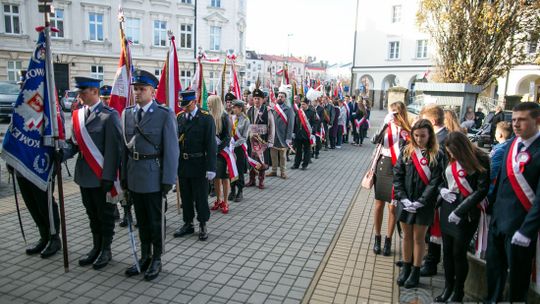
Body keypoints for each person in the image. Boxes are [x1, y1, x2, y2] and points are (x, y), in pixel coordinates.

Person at [121, 70, 179, 280]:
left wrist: (168, 180)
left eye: (142, 89)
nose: (137, 92)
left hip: (154, 176)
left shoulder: (164, 114)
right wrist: (123, 177)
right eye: (135, 89)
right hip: (134, 174)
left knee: (155, 220)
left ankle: (156, 258)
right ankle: (144, 256)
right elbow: (124, 149)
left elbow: (172, 150)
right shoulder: (127, 113)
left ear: (153, 91)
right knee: (141, 220)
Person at [64, 76, 122, 270]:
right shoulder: (78, 115)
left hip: (101, 177)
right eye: (79, 91)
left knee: (105, 214)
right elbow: (74, 144)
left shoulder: (109, 115)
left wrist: (109, 176)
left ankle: (106, 249)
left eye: (83, 91)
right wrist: (60, 154)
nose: (80, 95)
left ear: (95, 92)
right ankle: (96, 247)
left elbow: (114, 149)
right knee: (91, 214)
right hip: (84, 175)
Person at [486, 102, 540, 303]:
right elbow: (500, 180)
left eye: (522, 120)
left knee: (518, 277)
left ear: (537, 121)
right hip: (499, 221)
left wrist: (527, 231)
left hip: (520, 226)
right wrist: (490, 207)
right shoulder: (511, 144)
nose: (516, 124)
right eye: (514, 120)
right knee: (494, 268)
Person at [6, 70, 61, 259]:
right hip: (22, 165)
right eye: (22, 86)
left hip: (39, 165)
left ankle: (54, 237)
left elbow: (55, 132)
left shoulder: (47, 108)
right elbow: (13, 132)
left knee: (44, 202)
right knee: (31, 203)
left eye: (26, 86)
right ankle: (43, 236)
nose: (24, 89)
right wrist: (10, 159)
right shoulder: (20, 107)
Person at [436, 131, 490, 302]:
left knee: (458, 253)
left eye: (452, 151)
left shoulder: (480, 158)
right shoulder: (448, 156)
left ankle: (458, 291)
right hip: (447, 207)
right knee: (447, 252)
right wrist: (442, 190)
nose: (450, 154)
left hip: (466, 212)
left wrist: (460, 211)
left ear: (461, 149)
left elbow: (482, 190)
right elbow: (442, 179)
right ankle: (447, 287)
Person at [394, 119, 444, 288]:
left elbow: (436, 181)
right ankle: (406, 268)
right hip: (405, 201)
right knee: (406, 236)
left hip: (424, 205)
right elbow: (397, 175)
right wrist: (403, 197)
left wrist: (421, 201)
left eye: (423, 135)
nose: (419, 139)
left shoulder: (437, 154)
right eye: (416, 135)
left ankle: (416, 271)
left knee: (419, 238)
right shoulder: (406, 151)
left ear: (430, 135)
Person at [174, 90, 216, 242]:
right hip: (183, 164)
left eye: (186, 105)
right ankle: (188, 223)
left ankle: (203, 224)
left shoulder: (206, 118)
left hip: (199, 164)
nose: (183, 108)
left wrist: (211, 168)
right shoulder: (179, 118)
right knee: (185, 196)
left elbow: (211, 145)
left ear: (193, 102)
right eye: (182, 105)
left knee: (200, 197)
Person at [371, 101, 411, 256]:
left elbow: (407, 152)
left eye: (395, 112)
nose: (393, 115)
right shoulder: (386, 127)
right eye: (391, 112)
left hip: (396, 169)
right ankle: (377, 238)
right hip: (382, 166)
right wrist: (384, 124)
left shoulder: (407, 130)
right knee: (379, 204)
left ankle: (388, 240)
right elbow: (374, 140)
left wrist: (402, 132)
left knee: (392, 207)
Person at [418, 104, 448, 276]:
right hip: (429, 191)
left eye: (425, 119)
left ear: (434, 121)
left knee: (434, 230)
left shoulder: (443, 138)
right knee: (428, 229)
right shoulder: (436, 137)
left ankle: (431, 263)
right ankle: (423, 259)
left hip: (438, 192)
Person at [246, 87, 274, 189]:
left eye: (259, 98)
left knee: (261, 160)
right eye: (255, 98)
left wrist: (270, 141)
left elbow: (271, 126)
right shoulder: (249, 110)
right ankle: (252, 179)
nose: (257, 100)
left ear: (263, 100)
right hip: (250, 139)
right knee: (251, 159)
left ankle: (261, 180)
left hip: (262, 139)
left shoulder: (267, 110)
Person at [208, 95, 232, 214]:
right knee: (216, 178)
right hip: (213, 152)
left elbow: (228, 136)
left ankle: (226, 202)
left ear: (215, 103)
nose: (208, 105)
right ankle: (218, 200)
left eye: (209, 103)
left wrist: (217, 148)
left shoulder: (224, 116)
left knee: (224, 178)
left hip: (223, 152)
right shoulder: (209, 115)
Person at [268, 91, 294, 179]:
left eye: (282, 96)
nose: (279, 98)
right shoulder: (273, 108)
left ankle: (283, 172)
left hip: (283, 136)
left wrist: (289, 138)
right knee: (273, 154)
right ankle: (274, 171)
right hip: (273, 135)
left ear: (285, 98)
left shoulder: (289, 109)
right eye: (278, 96)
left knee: (283, 156)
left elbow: (290, 125)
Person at [228, 100, 250, 202]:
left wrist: (234, 144)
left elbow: (244, 137)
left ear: (240, 108)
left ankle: (240, 191)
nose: (233, 109)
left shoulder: (246, 120)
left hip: (239, 148)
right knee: (231, 169)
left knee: (239, 169)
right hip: (230, 148)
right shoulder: (231, 118)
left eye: (235, 107)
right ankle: (232, 189)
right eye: (233, 107)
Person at [488, 121, 513, 197]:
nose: (495, 134)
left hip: (492, 186)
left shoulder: (500, 150)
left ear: (500, 135)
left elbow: (492, 170)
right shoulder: (504, 146)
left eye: (496, 132)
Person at [292, 98, 317, 170]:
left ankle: (304, 165)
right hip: (298, 134)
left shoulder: (312, 112)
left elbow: (315, 123)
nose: (302, 105)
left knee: (307, 150)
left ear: (307, 104)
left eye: (304, 104)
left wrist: (313, 133)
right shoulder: (298, 112)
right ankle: (296, 164)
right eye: (301, 104)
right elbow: (295, 123)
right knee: (298, 150)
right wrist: (293, 132)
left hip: (307, 134)